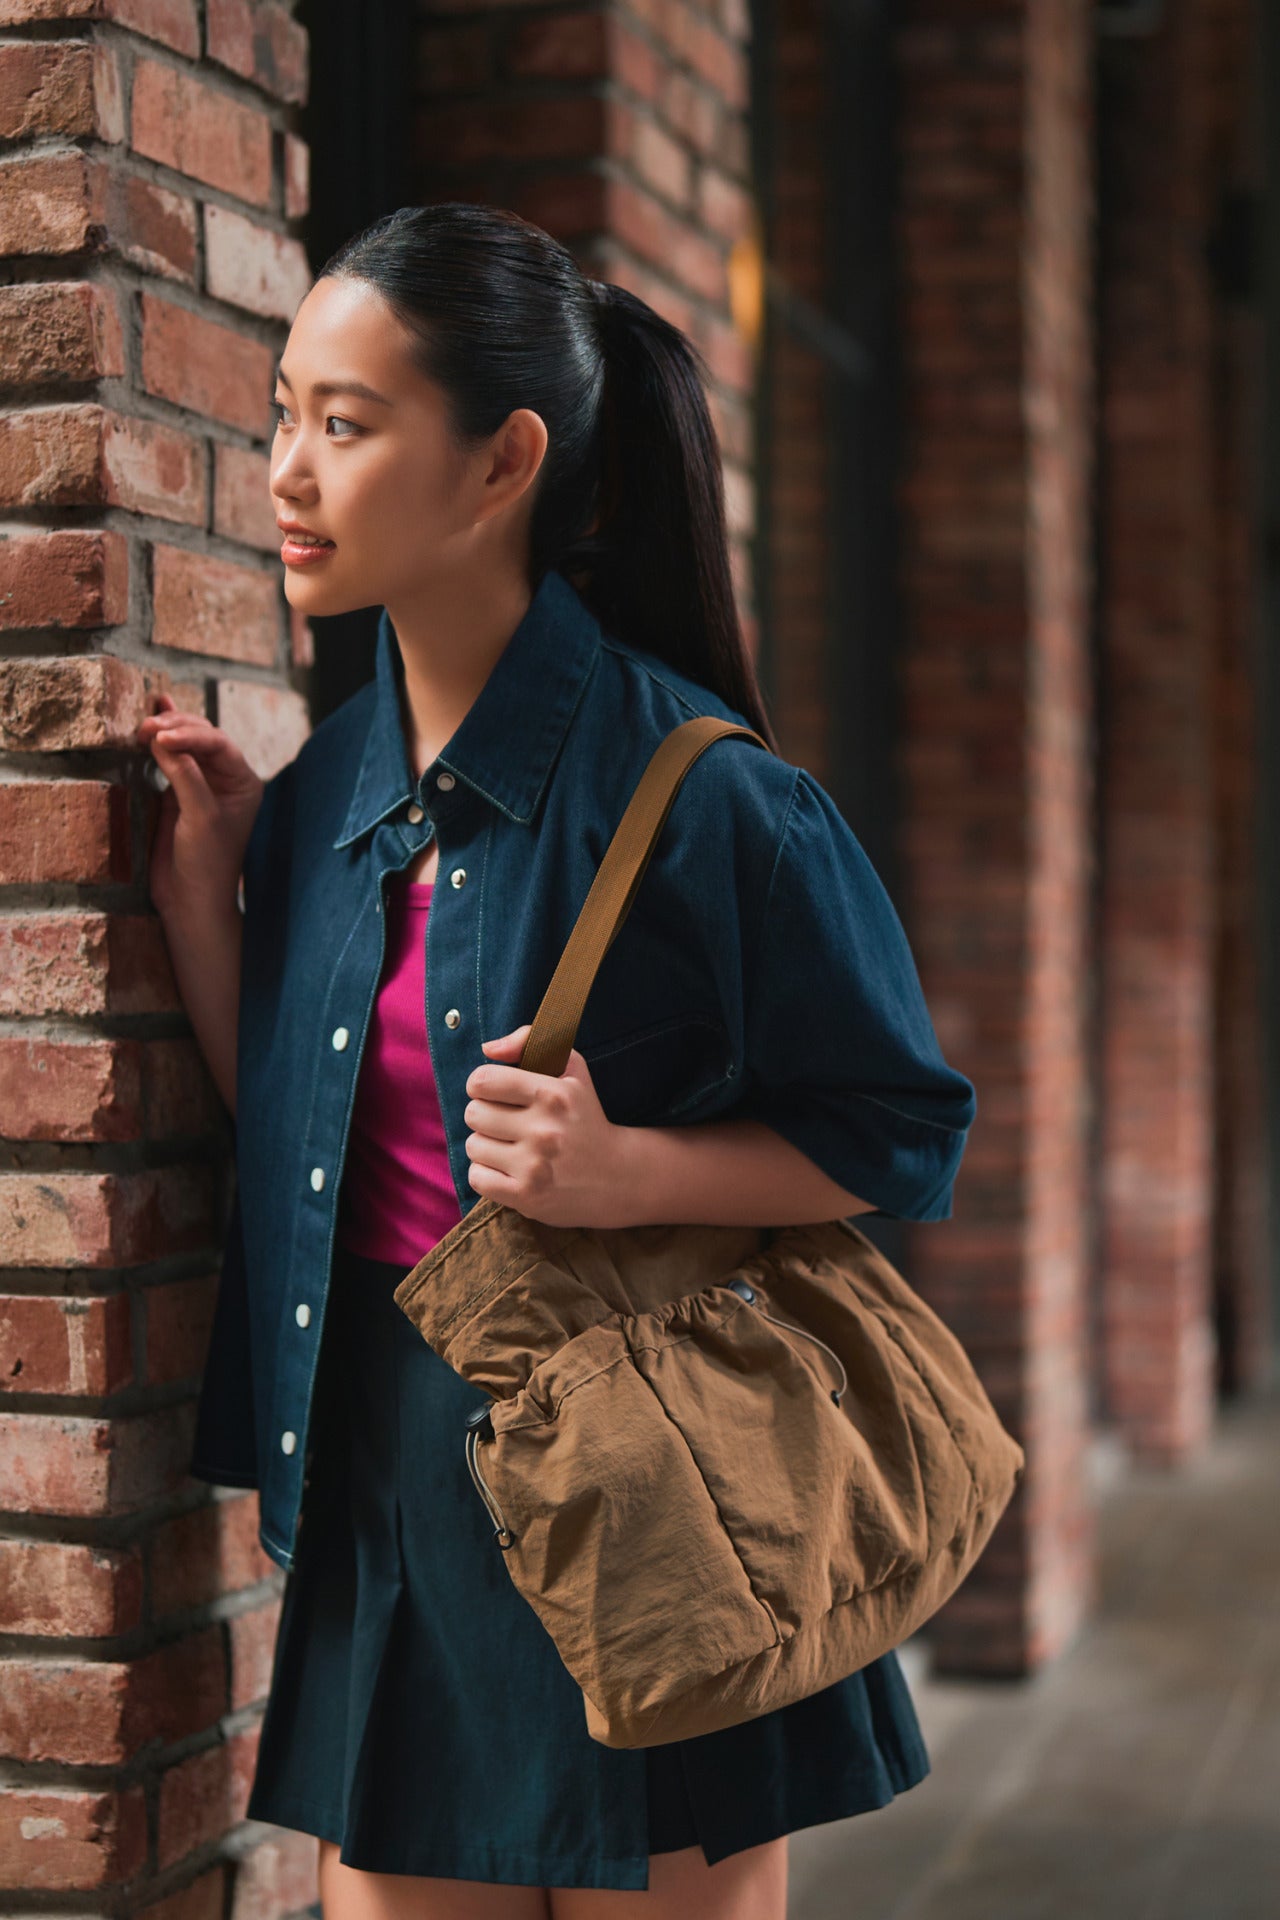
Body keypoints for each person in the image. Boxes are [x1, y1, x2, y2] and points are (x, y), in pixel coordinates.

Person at [136, 202, 977, 1920]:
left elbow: (904, 1132)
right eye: (283, 410)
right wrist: (214, 916)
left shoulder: (711, 800)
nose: (286, 468)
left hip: (660, 1496)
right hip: (396, 1503)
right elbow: (310, 1151)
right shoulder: (317, 804)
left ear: (502, 460)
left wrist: (634, 1175)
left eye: (346, 425)